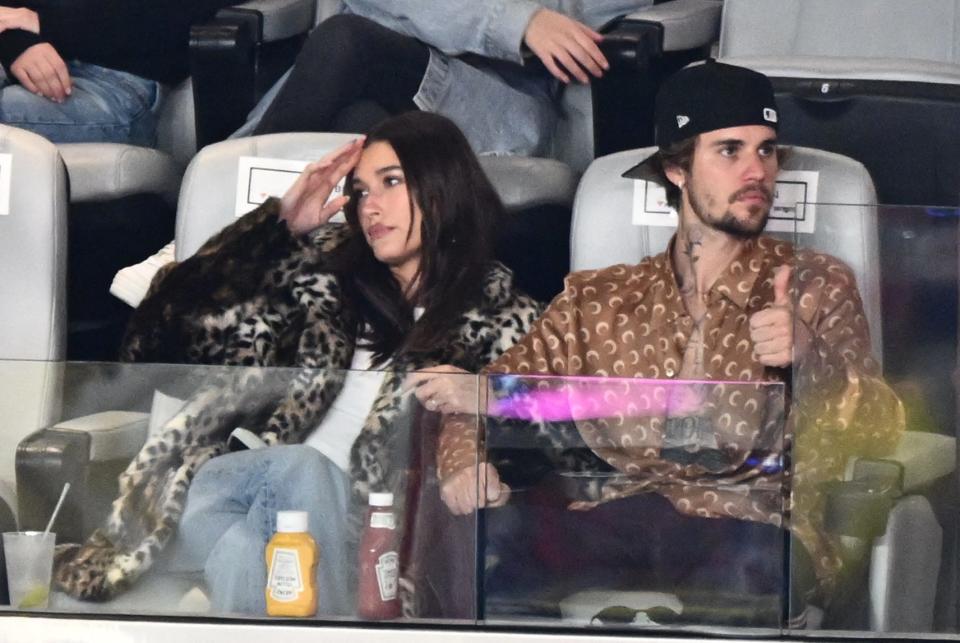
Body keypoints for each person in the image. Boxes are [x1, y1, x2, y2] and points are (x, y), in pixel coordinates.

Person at [434, 61, 905, 624]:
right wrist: (463, 463)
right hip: (616, 515)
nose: (756, 170)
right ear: (677, 171)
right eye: (730, 150)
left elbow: (882, 426)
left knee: (749, 572)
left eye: (767, 150)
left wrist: (809, 358)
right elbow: (482, 396)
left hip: (751, 526)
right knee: (501, 550)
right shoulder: (599, 298)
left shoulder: (816, 284)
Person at [52, 112, 543, 615]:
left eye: (390, 182)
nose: (370, 206)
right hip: (228, 488)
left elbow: (569, 436)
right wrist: (278, 228)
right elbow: (156, 344)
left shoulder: (500, 314)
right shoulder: (317, 270)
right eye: (359, 192)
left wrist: (492, 396)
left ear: (443, 186)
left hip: (358, 541)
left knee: (248, 557)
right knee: (303, 468)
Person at [249, 1, 653, 156]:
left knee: (347, 43)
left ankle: (230, 237)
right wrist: (516, 20)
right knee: (360, 121)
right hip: (356, 78)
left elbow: (574, 23)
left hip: (488, 101)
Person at [0, 0, 233, 145]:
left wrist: (47, 23)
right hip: (24, 58)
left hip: (121, 81)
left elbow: (172, 13)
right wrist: (18, 44)